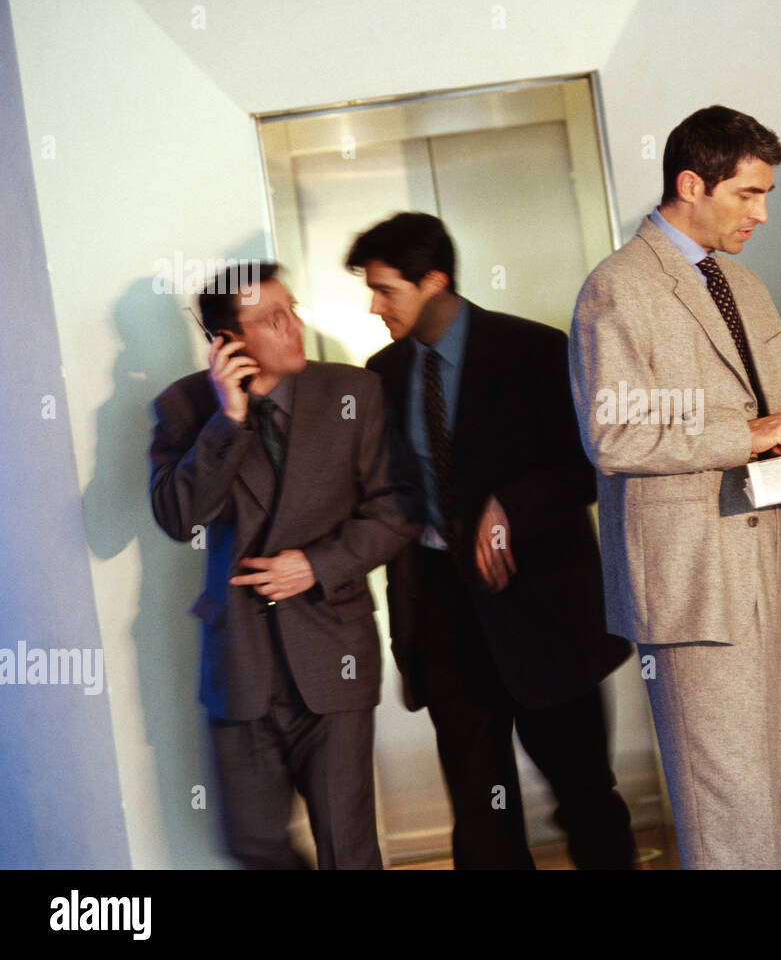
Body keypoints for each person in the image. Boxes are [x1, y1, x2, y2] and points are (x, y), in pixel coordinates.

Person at [569, 105, 781, 869]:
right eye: (747, 194)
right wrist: (748, 434)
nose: (762, 214)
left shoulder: (740, 282)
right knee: (725, 806)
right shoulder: (618, 288)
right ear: (690, 183)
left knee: (777, 785)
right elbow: (612, 434)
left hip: (768, 557)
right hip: (690, 582)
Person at [347, 212, 637, 870]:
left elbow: (591, 464)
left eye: (386, 289)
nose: (374, 305)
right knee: (481, 814)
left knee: (586, 798)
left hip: (544, 612)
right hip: (444, 619)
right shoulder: (381, 374)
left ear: (435, 280)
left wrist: (511, 505)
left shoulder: (534, 349)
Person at [149, 261, 417, 868]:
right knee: (251, 842)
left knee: (347, 850)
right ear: (228, 342)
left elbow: (396, 510)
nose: (293, 326)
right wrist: (229, 418)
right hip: (240, 663)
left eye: (291, 309)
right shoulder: (185, 407)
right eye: (272, 319)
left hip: (332, 654)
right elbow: (177, 517)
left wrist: (317, 565)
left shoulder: (353, 392)